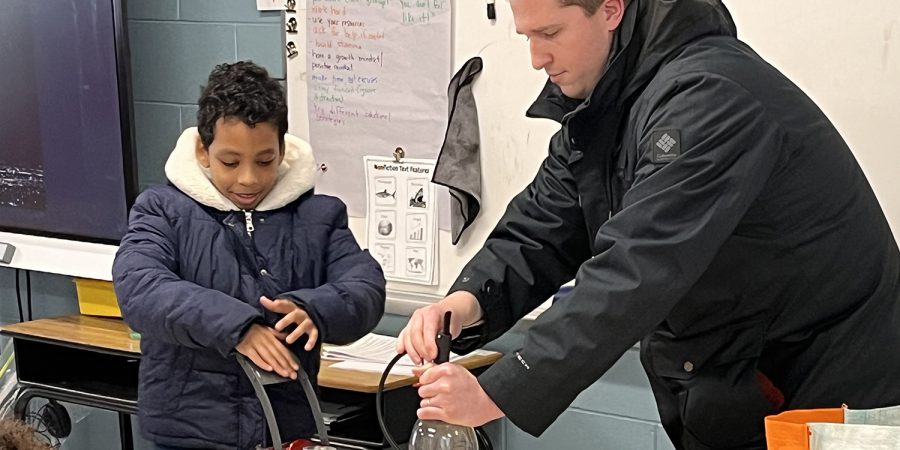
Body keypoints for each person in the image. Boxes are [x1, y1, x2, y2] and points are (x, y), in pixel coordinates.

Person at [397, 0, 900, 449]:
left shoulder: (709, 97)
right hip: (744, 385)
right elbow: (544, 224)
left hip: (829, 396)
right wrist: (466, 303)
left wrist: (500, 389)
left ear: (611, 10)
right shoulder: (610, 103)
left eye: (550, 34)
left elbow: (635, 269)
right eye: (527, 36)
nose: (536, 58)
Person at [113, 61, 386, 450]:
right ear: (202, 151)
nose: (248, 179)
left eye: (264, 161)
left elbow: (364, 287)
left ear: (282, 151)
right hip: (188, 435)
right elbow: (140, 289)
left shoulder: (319, 216)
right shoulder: (162, 209)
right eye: (230, 162)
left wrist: (315, 309)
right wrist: (239, 328)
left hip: (286, 430)